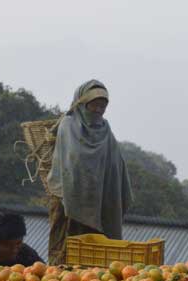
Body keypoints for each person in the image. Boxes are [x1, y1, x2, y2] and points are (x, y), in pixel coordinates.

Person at [46, 79, 132, 265]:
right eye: (95, 105)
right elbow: (73, 160)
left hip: (98, 199)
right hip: (67, 197)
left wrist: (108, 185)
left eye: (103, 106)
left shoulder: (105, 128)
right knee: (65, 251)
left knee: (93, 255)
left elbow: (114, 161)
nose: (99, 110)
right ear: (83, 103)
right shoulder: (68, 124)